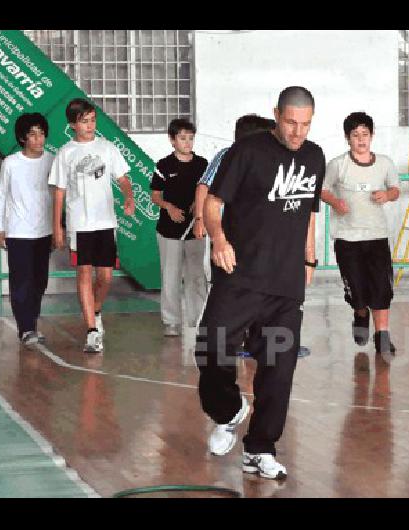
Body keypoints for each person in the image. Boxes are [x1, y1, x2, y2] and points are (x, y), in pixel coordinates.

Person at [196, 86, 325, 481]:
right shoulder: (247, 152)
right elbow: (213, 203)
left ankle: (261, 448)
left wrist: (308, 256)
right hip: (240, 275)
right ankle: (228, 410)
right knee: (211, 347)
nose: (297, 132)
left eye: (305, 124)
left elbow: (308, 211)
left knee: (278, 369)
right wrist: (219, 240)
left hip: (285, 283)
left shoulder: (314, 156)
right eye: (290, 122)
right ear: (276, 115)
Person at [194, 114, 313, 359]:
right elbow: (204, 188)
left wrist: (308, 254)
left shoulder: (274, 159)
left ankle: (260, 340)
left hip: (258, 242)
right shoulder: (229, 156)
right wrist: (203, 222)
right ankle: (225, 342)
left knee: (263, 291)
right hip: (229, 240)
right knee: (231, 290)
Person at [49, 98, 135, 353]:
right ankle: (91, 331)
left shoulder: (107, 148)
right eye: (84, 121)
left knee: (106, 276)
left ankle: (95, 311)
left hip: (105, 221)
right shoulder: (66, 153)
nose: (89, 125)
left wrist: (128, 197)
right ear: (73, 124)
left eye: (92, 120)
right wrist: (58, 227)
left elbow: (123, 178)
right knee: (84, 272)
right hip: (80, 223)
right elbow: (60, 193)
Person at [321, 111, 399, 355]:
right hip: (348, 238)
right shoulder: (337, 165)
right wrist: (335, 202)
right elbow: (322, 190)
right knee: (356, 288)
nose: (361, 140)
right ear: (348, 138)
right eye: (356, 135)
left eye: (365, 134)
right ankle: (360, 313)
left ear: (372, 136)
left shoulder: (385, 163)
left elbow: (395, 188)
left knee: (381, 288)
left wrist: (387, 195)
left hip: (376, 236)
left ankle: (382, 335)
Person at [0, 112, 54, 345]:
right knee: (21, 281)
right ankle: (25, 327)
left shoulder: (51, 160)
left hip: (44, 232)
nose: (39, 139)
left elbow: (59, 194)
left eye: (42, 134)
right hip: (18, 232)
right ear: (22, 138)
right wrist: (1, 228)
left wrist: (58, 227)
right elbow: (0, 196)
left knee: (40, 281)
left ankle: (32, 323)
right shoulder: (11, 163)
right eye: (33, 135)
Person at [150, 118, 209, 337]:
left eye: (190, 138)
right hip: (168, 231)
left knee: (195, 275)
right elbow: (155, 195)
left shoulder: (203, 164)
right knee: (171, 275)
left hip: (196, 229)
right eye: (182, 138)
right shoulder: (164, 165)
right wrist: (169, 208)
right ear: (172, 140)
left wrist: (198, 205)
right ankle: (171, 321)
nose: (187, 143)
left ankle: (199, 318)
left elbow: (208, 190)